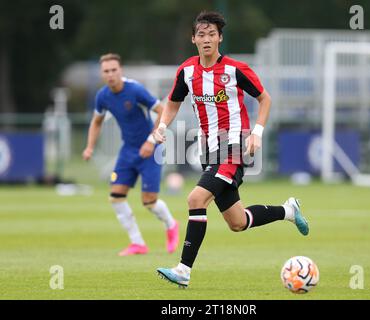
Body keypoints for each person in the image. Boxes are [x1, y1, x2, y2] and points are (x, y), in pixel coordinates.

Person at [154, 11, 309, 288]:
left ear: (220, 38)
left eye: (212, 34)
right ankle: (288, 210)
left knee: (195, 199)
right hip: (209, 151)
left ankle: (183, 270)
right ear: (193, 39)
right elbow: (173, 102)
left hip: (233, 147)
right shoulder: (187, 71)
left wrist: (257, 133)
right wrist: (163, 126)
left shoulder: (235, 70)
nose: (207, 39)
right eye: (201, 34)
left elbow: (265, 99)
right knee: (237, 222)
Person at [83, 53, 179, 256]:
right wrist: (90, 146)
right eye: (106, 71)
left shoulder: (135, 90)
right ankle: (138, 243)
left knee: (149, 201)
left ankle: (171, 224)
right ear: (102, 74)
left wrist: (151, 141)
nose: (110, 75)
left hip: (151, 149)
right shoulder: (102, 96)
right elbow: (97, 121)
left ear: (121, 70)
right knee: (116, 196)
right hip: (128, 150)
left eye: (113, 70)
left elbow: (163, 111)